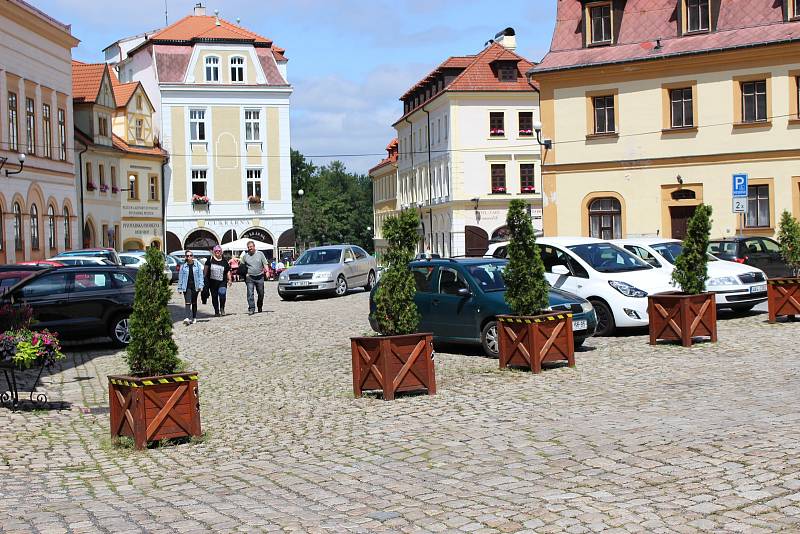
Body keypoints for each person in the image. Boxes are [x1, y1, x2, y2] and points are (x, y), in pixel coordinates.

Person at [239, 241, 270, 315]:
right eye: (248, 247)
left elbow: (265, 263)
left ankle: (259, 305)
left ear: (254, 246)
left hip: (260, 276)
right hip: (250, 277)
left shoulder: (260, 254)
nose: (250, 248)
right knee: (250, 293)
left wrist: (267, 271)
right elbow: (242, 266)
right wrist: (245, 273)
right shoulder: (245, 256)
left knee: (261, 293)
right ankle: (251, 308)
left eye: (251, 247)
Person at [177, 250, 205, 325]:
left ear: (193, 256)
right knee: (187, 301)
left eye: (190, 255)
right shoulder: (183, 266)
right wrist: (179, 287)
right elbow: (180, 277)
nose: (189, 257)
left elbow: (200, 276)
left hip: (195, 286)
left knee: (194, 302)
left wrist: (201, 285)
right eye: (187, 256)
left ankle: (194, 317)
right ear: (185, 257)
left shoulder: (197, 266)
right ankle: (187, 318)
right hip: (186, 286)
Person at [205, 245, 232, 316]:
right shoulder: (210, 259)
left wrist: (229, 279)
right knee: (214, 296)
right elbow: (206, 269)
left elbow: (227, 271)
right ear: (214, 252)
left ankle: (222, 308)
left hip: (222, 281)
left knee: (222, 293)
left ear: (221, 252)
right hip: (212, 282)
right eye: (216, 251)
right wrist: (204, 278)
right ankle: (216, 311)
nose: (217, 252)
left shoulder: (224, 261)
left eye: (219, 251)